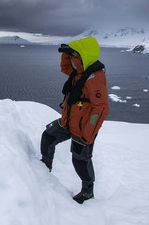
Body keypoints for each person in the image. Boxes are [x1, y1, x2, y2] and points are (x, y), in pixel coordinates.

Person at [40, 36, 109, 204]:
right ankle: (43, 169)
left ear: (84, 56)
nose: (72, 59)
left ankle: (87, 193)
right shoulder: (79, 72)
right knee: (47, 137)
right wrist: (66, 52)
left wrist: (88, 134)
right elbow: (65, 68)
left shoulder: (95, 77)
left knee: (80, 161)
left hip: (83, 130)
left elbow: (101, 108)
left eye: (75, 56)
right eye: (72, 56)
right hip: (67, 122)